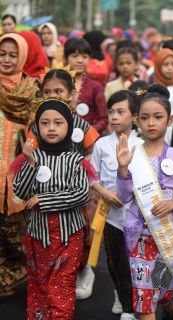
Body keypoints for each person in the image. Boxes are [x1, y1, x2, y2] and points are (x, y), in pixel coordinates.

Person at [116, 84, 173, 320]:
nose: (151, 123)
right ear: (136, 121)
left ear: (169, 120)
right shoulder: (132, 154)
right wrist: (122, 168)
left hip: (166, 236)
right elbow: (123, 196)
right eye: (144, 118)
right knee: (144, 298)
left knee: (163, 291)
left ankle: (171, 308)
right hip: (138, 235)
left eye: (158, 117)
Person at [12, 98, 92, 319]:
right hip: (38, 236)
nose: (51, 128)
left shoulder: (76, 160)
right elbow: (21, 190)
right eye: (45, 123)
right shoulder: (32, 156)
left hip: (68, 236)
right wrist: (29, 163)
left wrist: (45, 199)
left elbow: (82, 194)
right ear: (37, 127)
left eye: (58, 123)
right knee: (39, 288)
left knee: (62, 289)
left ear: (68, 126)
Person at [90, 90, 143, 320]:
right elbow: (92, 176)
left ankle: (132, 305)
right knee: (114, 261)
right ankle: (122, 298)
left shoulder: (141, 144)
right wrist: (104, 193)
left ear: (134, 116)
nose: (114, 117)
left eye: (121, 112)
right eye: (111, 111)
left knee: (135, 262)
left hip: (136, 215)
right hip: (110, 214)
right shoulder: (102, 144)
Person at [0, 33, 37, 297]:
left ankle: (16, 276)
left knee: (17, 229)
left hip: (20, 170)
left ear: (22, 56)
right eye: (2, 54)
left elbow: (39, 128)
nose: (6, 60)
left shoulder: (32, 90)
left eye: (13, 55)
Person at [28, 68, 100, 157]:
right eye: (46, 92)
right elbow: (29, 154)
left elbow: (94, 153)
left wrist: (78, 165)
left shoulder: (82, 126)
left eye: (58, 91)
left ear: (71, 94)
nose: (52, 96)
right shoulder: (37, 126)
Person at [64, 38, 108, 133]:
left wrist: (89, 133)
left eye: (85, 57)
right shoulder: (58, 83)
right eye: (74, 56)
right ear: (65, 58)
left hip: (88, 142)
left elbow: (104, 117)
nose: (80, 60)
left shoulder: (95, 86)